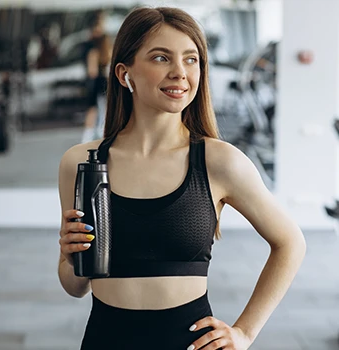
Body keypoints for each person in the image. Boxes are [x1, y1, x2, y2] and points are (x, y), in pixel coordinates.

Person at [58, 6, 306, 350]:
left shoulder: (219, 161)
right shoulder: (81, 162)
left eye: (191, 60)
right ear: (123, 73)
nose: (180, 72)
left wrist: (245, 332)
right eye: (161, 58)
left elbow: (291, 242)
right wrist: (72, 256)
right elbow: (74, 285)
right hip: (104, 339)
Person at [81, 13, 112, 143]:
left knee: (95, 110)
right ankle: (97, 135)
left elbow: (91, 71)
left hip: (96, 81)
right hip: (102, 81)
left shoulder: (93, 45)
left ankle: (89, 137)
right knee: (102, 109)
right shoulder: (100, 45)